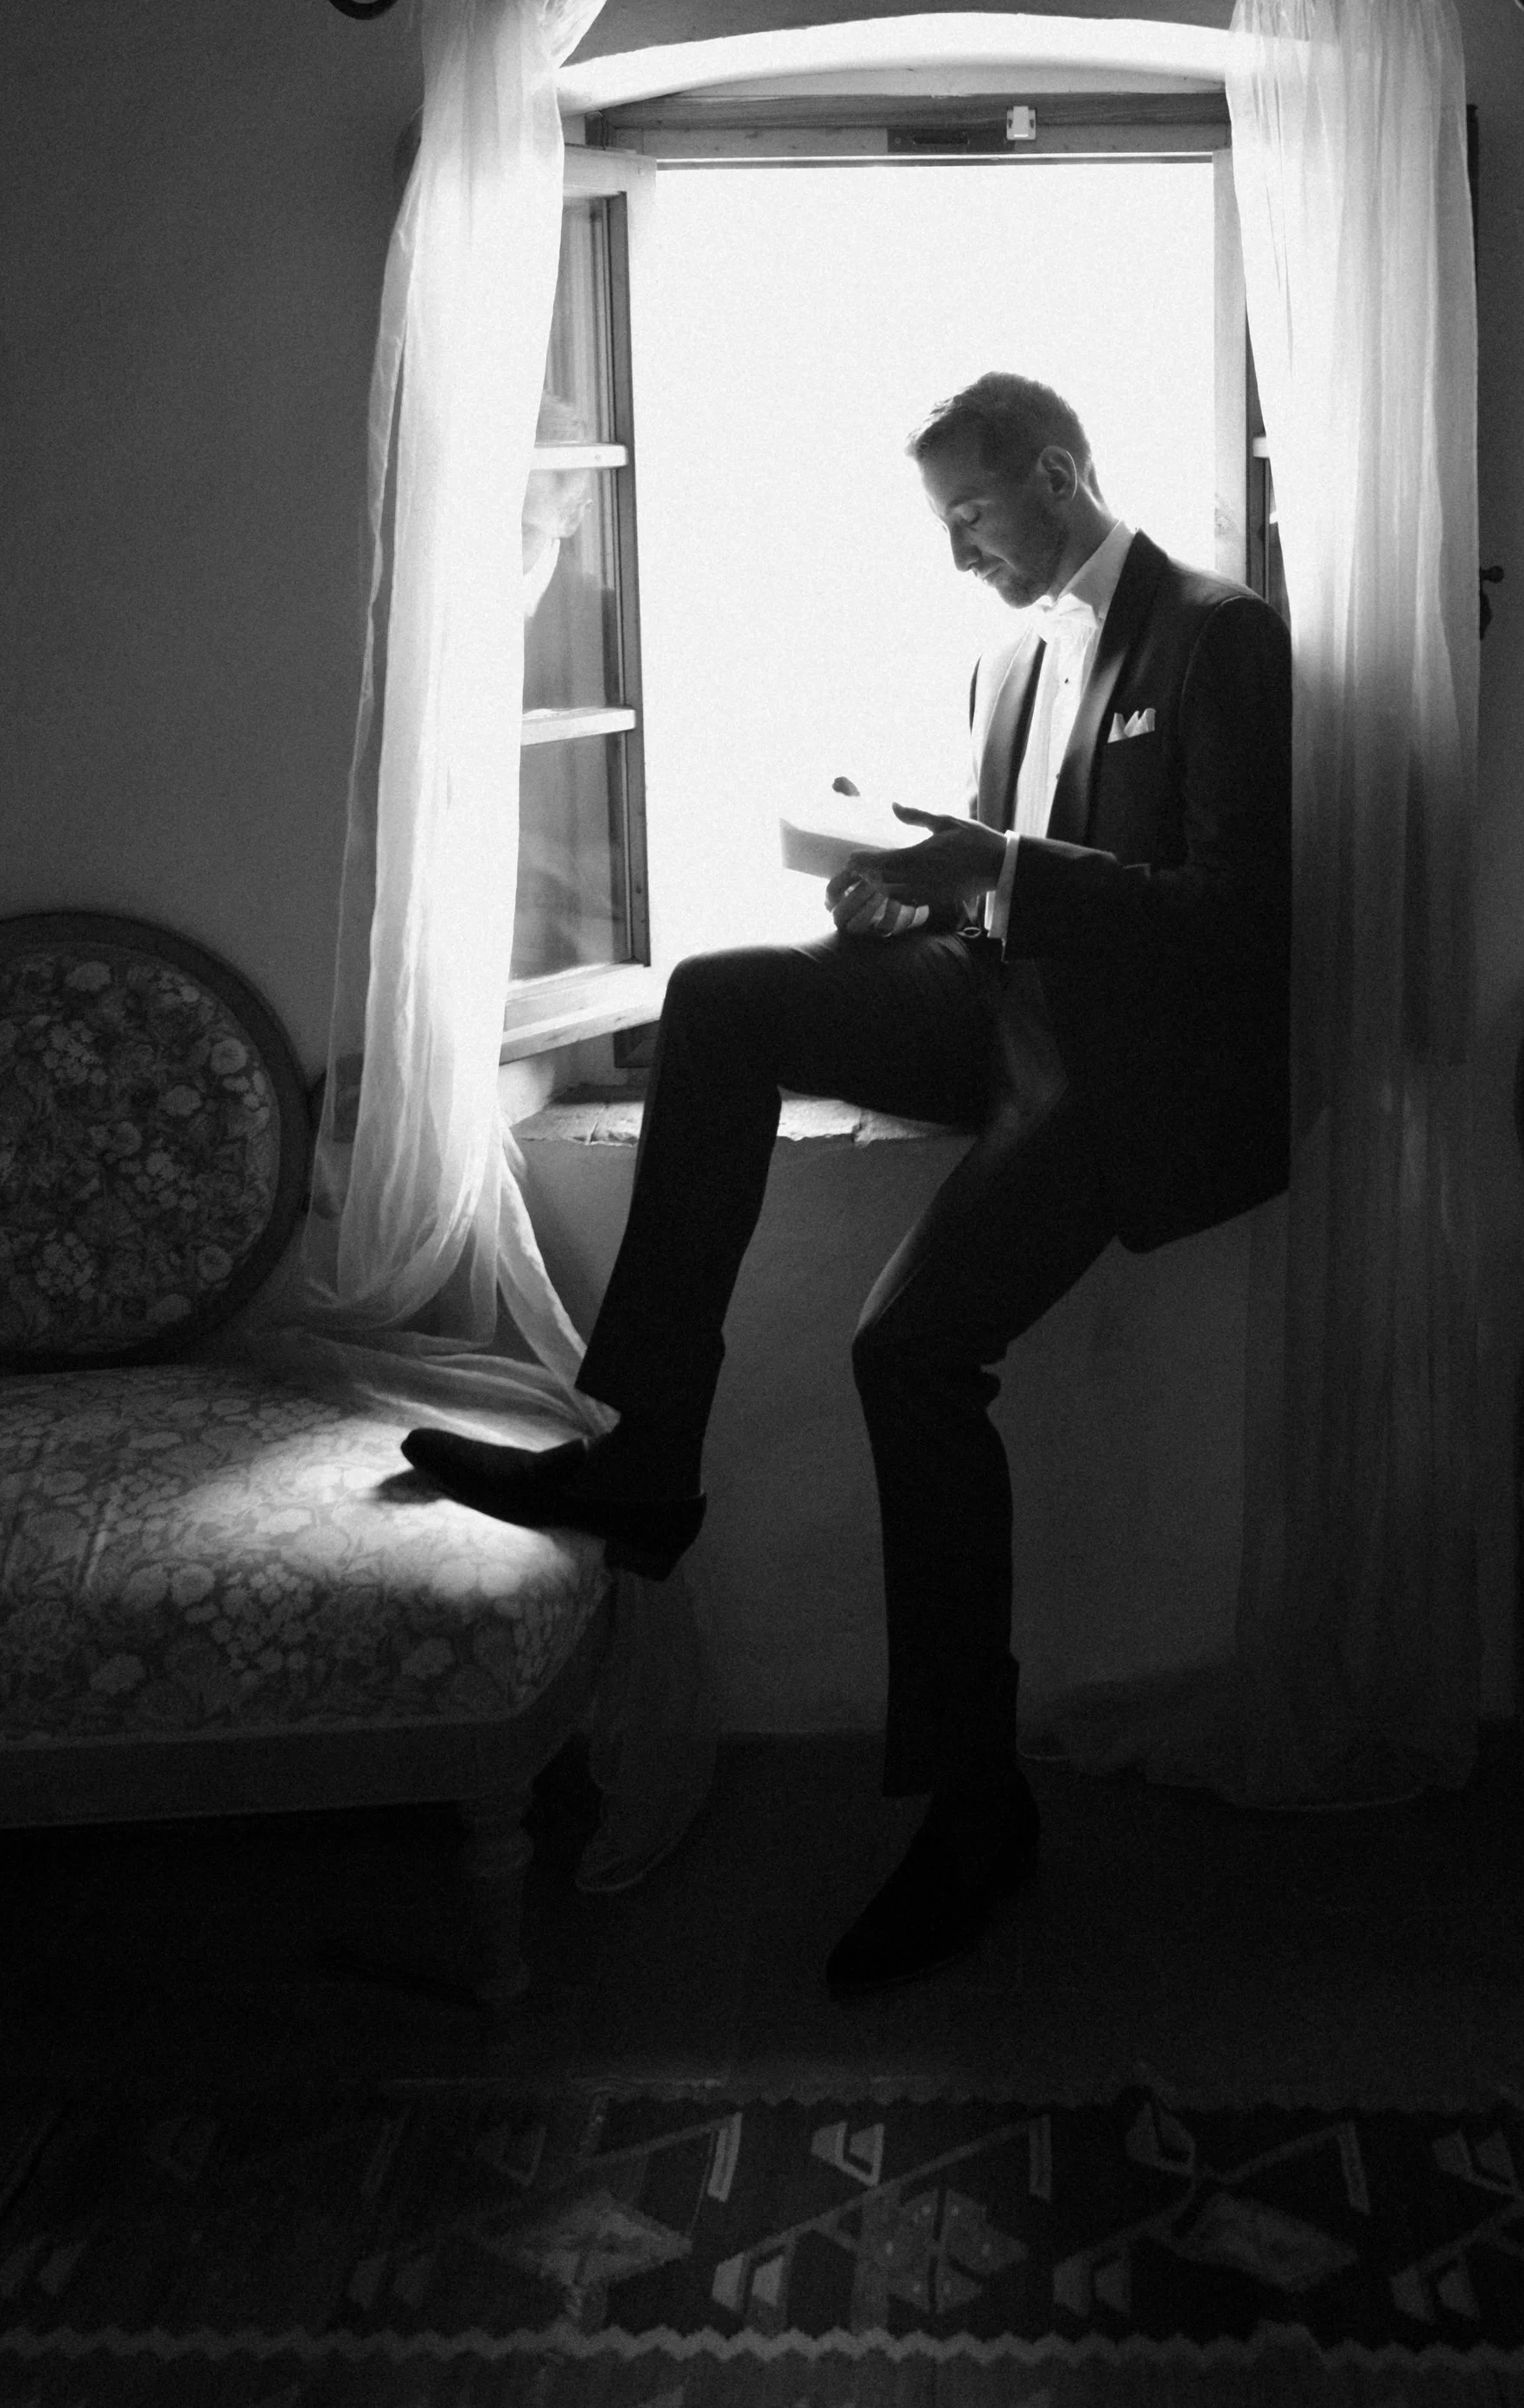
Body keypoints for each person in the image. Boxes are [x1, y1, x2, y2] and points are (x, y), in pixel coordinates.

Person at [403, 372, 1291, 1994]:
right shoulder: (1005, 649)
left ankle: (975, 1804)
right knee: (725, 995)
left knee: (908, 1351)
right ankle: (646, 1449)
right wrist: (914, 905)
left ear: (1060, 470)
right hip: (988, 999)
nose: (961, 559)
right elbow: (993, 899)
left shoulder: (1218, 636)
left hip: (1101, 1071)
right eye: (941, 529)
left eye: (973, 517)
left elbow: (1231, 916)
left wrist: (998, 871)